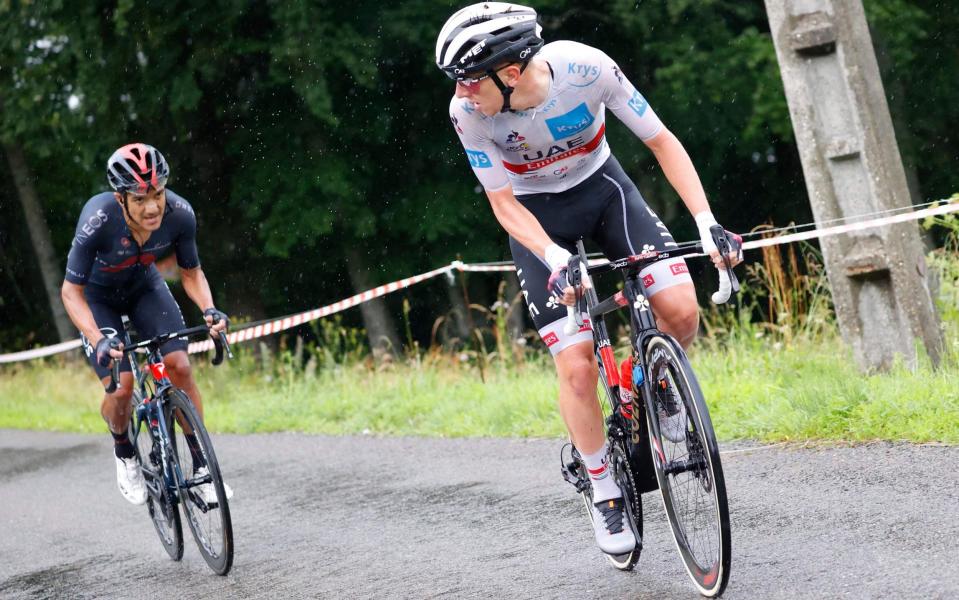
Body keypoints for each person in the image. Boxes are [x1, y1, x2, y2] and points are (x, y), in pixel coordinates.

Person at [436, 3, 741, 555]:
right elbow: (503, 205)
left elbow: (661, 141)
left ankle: (660, 388)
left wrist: (706, 221)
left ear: (509, 72)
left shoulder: (586, 68)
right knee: (576, 367)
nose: (459, 92)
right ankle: (603, 488)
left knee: (680, 310)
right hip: (536, 219)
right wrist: (554, 258)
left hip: (605, 192)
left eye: (466, 79)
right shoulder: (469, 115)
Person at [60, 143, 232, 505]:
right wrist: (97, 337)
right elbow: (70, 292)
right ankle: (124, 451)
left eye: (157, 193)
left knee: (180, 366)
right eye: (139, 199)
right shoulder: (98, 219)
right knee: (121, 388)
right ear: (120, 198)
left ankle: (201, 468)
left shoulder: (181, 213)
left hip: (144, 289)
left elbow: (192, 272)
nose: (152, 207)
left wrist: (210, 309)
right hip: (98, 299)